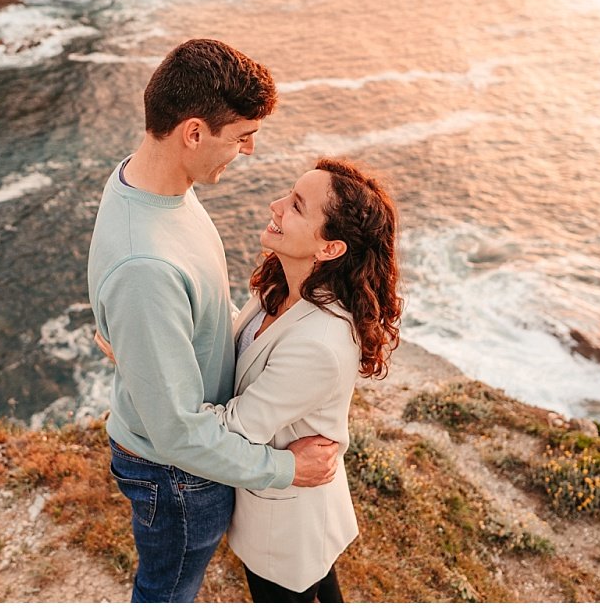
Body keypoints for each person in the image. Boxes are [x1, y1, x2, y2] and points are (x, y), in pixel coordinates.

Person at [87, 39, 340, 604]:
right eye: (242, 137)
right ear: (194, 133)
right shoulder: (145, 267)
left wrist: (147, 352)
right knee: (167, 593)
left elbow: (188, 314)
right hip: (175, 473)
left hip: (183, 452)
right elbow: (177, 431)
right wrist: (284, 470)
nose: (248, 151)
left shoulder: (148, 185)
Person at [203, 157, 402, 602]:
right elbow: (248, 349)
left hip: (287, 527)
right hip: (297, 511)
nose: (275, 206)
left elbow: (235, 427)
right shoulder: (284, 287)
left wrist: (153, 374)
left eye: (295, 206)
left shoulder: (321, 343)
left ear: (329, 249)